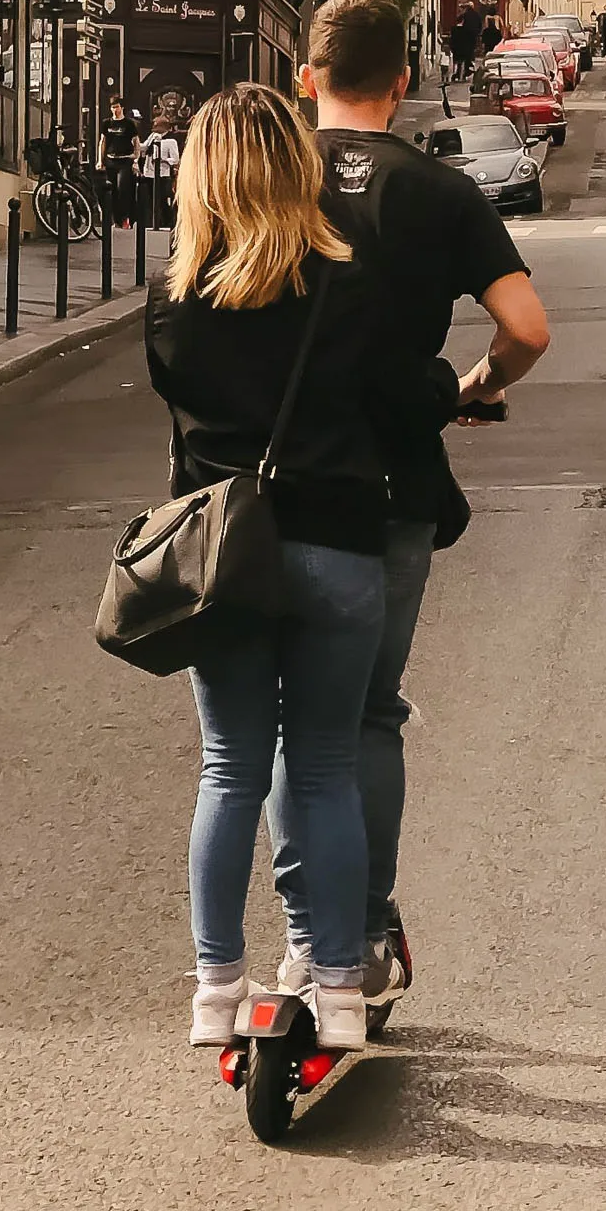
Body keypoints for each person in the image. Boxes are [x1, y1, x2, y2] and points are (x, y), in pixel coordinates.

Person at [144, 86, 469, 1052]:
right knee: (323, 767)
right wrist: (456, 389)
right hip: (336, 551)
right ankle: (336, 993)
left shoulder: (173, 309)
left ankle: (214, 992)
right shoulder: (348, 285)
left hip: (225, 564)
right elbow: (408, 398)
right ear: (298, 169)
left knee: (228, 769)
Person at [274, 0, 551, 997]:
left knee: (286, 716)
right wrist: (473, 388)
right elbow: (527, 329)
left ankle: (305, 938)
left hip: (271, 482)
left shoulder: (264, 176)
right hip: (390, 481)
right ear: (400, 81)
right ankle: (369, 932)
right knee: (366, 714)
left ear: (306, 77)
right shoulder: (441, 193)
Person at [98, 96, 138, 228]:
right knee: (112, 190)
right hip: (111, 160)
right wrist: (100, 160)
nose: (115, 110)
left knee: (123, 189)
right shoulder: (107, 123)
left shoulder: (129, 124)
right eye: (113, 107)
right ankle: (115, 220)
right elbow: (102, 142)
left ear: (122, 108)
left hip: (125, 160)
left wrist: (136, 159)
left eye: (117, 107)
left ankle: (125, 218)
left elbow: (136, 142)